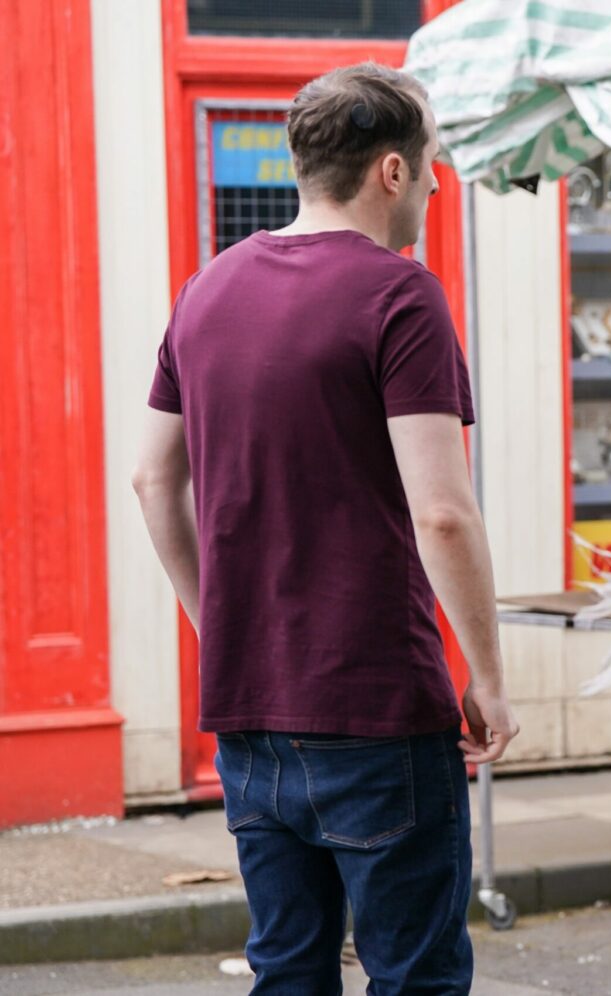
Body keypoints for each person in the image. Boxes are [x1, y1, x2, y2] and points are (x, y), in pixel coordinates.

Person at [132, 62, 519, 994]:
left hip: (249, 712)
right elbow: (442, 512)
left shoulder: (206, 289)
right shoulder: (401, 294)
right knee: (415, 976)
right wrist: (489, 678)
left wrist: (218, 624)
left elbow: (151, 478)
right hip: (376, 707)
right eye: (431, 161)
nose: (436, 183)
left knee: (289, 971)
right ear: (392, 170)